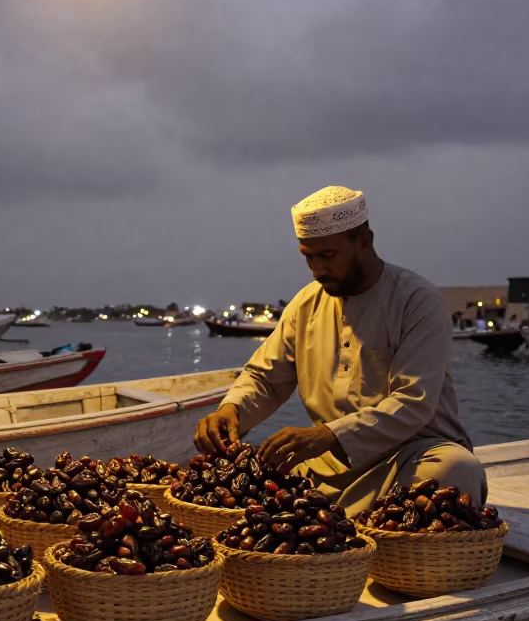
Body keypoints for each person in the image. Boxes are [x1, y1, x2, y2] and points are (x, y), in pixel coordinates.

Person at [194, 185, 485, 517]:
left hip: (408, 456)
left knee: (455, 472)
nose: (317, 270)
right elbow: (265, 379)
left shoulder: (416, 301)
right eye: (308, 257)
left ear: (365, 242)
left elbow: (412, 401)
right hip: (327, 465)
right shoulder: (305, 304)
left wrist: (330, 434)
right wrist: (232, 411)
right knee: (238, 481)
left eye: (327, 256)